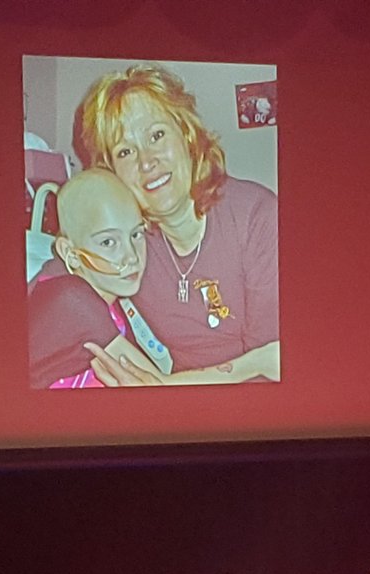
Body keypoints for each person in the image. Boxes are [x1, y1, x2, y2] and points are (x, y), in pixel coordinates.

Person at [72, 63, 280, 386]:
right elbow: (70, 294)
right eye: (125, 151)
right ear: (110, 172)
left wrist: (166, 388)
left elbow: (277, 363)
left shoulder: (258, 217)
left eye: (156, 135)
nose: (146, 161)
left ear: (186, 134)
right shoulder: (129, 247)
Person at [27, 168, 165, 388]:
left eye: (136, 234)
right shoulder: (71, 299)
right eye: (108, 242)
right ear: (71, 254)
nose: (131, 256)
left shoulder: (111, 301)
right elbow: (162, 389)